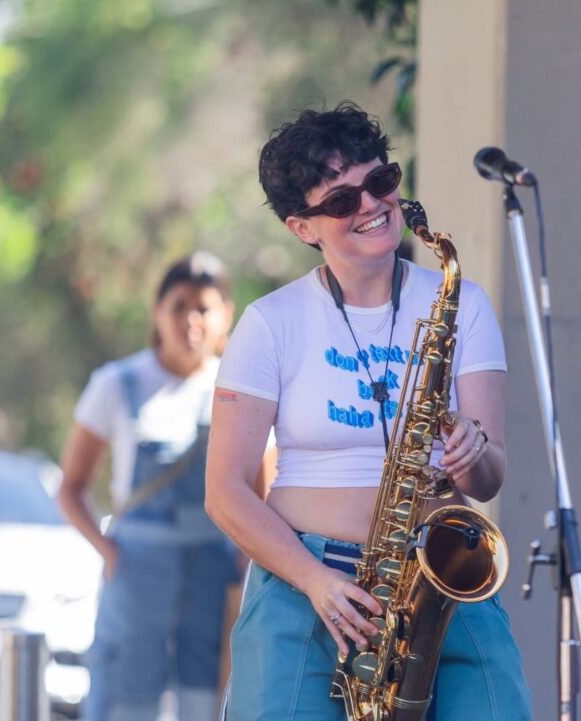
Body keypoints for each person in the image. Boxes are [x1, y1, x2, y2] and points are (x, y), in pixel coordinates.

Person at [205, 103, 533, 720]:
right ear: (303, 226)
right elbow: (225, 492)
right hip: (309, 582)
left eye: (380, 182)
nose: (371, 205)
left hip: (438, 572)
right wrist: (314, 580)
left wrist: (473, 447)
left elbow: (488, 478)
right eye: (341, 199)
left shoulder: (463, 304)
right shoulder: (269, 323)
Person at [58, 252, 248, 721]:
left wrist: (243, 572)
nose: (191, 320)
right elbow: (71, 487)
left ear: (226, 314)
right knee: (124, 702)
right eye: (179, 306)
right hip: (137, 571)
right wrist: (110, 553)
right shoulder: (117, 383)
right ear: (157, 312)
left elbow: (262, 491)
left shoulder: (242, 389)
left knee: (207, 702)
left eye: (203, 308)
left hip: (211, 574)